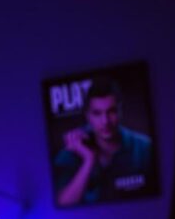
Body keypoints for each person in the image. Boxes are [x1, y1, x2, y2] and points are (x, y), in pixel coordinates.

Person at [53, 77, 153, 207]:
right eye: (97, 113)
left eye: (111, 111)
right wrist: (89, 160)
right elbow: (63, 203)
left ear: (120, 111)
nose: (105, 121)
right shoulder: (72, 149)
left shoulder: (145, 147)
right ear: (87, 116)